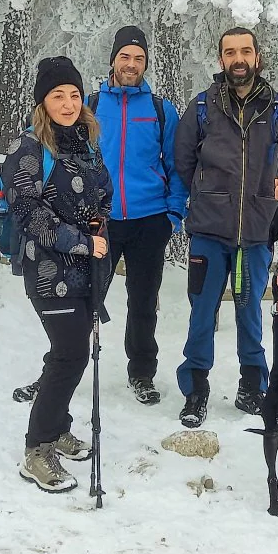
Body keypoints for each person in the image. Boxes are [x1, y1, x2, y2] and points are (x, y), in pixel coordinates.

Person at [172, 27, 278, 428]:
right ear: (221, 59)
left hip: (256, 234)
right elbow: (183, 158)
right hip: (209, 232)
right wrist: (209, 193)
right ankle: (195, 389)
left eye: (245, 51)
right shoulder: (203, 106)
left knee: (250, 313)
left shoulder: (276, 107)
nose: (238, 58)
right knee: (202, 312)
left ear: (257, 57)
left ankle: (251, 385)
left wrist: (265, 195)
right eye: (230, 52)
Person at [1, 56, 113, 493]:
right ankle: (36, 448)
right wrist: (81, 240)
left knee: (69, 352)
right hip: (50, 271)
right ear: (42, 103)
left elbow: (103, 193)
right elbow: (29, 213)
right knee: (70, 354)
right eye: (57, 96)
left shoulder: (87, 142)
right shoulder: (28, 149)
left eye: (73, 95)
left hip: (88, 270)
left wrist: (97, 223)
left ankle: (58, 425)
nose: (67, 104)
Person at [88, 26, 188, 406]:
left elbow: (178, 166)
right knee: (88, 297)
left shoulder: (161, 110)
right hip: (101, 221)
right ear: (113, 59)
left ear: (146, 63)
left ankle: (142, 372)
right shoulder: (92, 106)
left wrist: (173, 214)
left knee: (144, 301)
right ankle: (65, 366)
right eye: (125, 57)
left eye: (139, 58)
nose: (132, 64)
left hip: (150, 220)